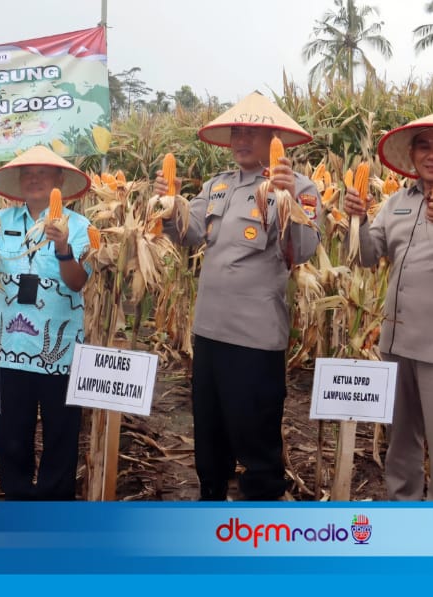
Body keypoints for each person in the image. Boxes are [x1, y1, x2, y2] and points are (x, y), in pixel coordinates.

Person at [153, 92, 321, 500]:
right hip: (209, 333)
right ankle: (211, 508)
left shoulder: (300, 187)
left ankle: (261, 526)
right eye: (236, 132)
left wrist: (286, 199)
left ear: (273, 137)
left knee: (256, 441)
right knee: (209, 439)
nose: (241, 139)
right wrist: (168, 203)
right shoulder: (216, 186)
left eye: (252, 132)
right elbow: (187, 235)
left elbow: (304, 249)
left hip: (255, 339)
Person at [0, 145, 92, 500]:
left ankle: (55, 511)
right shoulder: (0, 221)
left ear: (60, 180)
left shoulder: (80, 226)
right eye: (27, 172)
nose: (34, 178)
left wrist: (64, 247)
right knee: (10, 436)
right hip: (10, 349)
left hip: (61, 352)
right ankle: (18, 504)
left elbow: (78, 282)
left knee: (61, 436)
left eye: (43, 172)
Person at [345, 114, 433, 500]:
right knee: (401, 441)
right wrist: (358, 219)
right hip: (396, 343)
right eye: (424, 145)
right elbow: (367, 255)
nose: (431, 155)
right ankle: (405, 512)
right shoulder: (396, 202)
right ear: (412, 153)